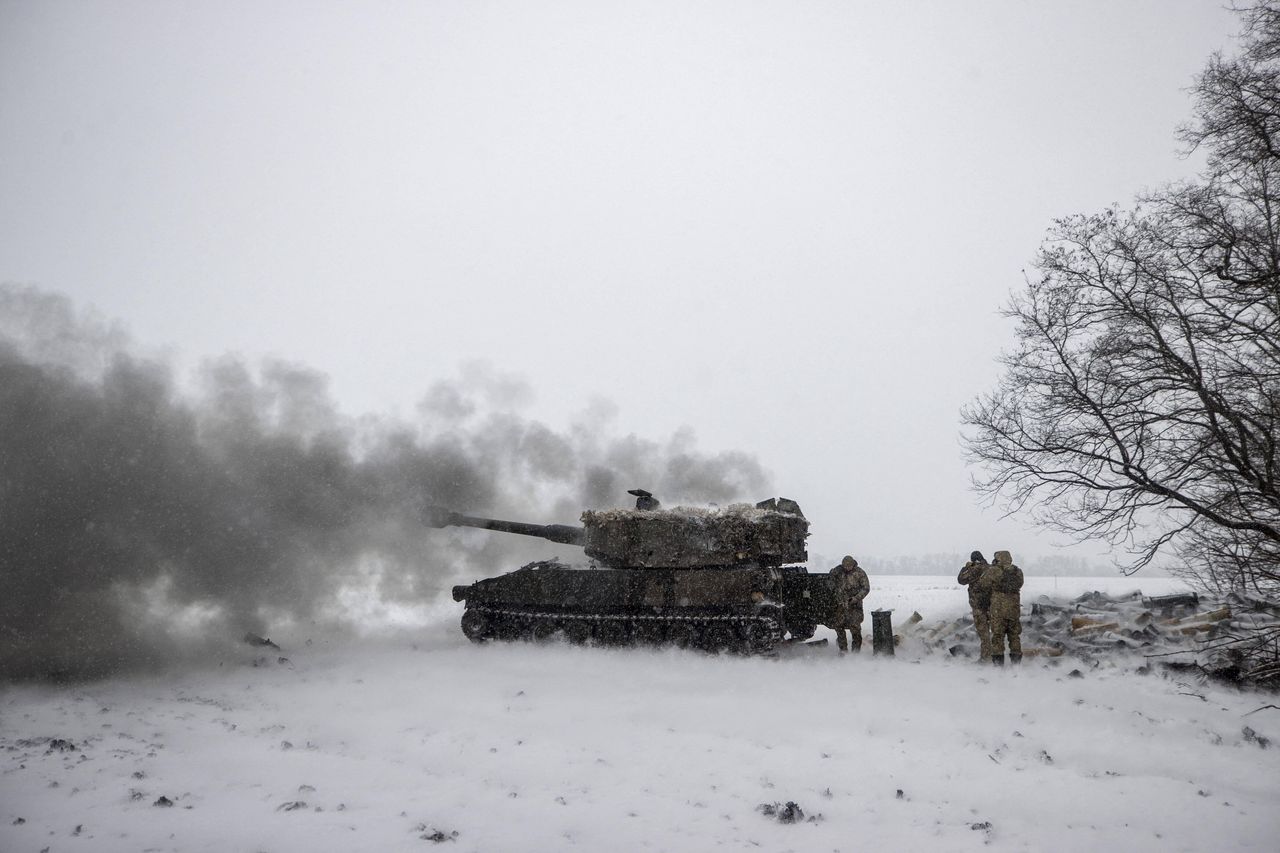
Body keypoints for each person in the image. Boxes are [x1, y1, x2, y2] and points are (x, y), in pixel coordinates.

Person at [978, 550, 1024, 665]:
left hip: (998, 611)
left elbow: (982, 583)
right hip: (1014, 610)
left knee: (997, 637)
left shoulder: (994, 570)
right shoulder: (1017, 571)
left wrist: (993, 567)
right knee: (1014, 636)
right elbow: (1020, 584)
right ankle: (1016, 664)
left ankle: (998, 665)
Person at [829, 556, 871, 653]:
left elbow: (866, 588)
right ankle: (843, 650)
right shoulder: (838, 571)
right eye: (845, 566)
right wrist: (836, 592)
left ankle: (856, 652)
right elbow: (830, 582)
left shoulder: (859, 573)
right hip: (841, 605)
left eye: (849, 566)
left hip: (855, 606)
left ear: (853, 564)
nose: (847, 568)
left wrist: (856, 598)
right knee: (839, 627)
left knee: (855, 628)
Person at [957, 550, 992, 661]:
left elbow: (961, 580)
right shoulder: (991, 568)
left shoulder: (974, 569)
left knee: (984, 634)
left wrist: (965, 568)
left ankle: (986, 658)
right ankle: (998, 656)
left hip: (979, 607)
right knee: (996, 633)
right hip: (993, 605)